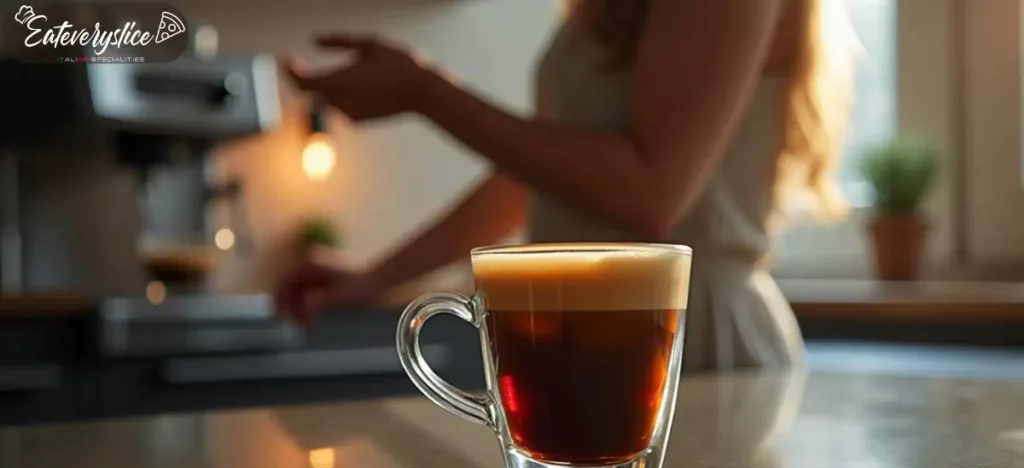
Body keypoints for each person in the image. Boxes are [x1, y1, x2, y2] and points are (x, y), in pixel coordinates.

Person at [275, 0, 858, 371]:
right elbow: (537, 178)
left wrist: (427, 93)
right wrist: (375, 276)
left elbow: (649, 194)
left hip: (691, 340)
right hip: (596, 331)